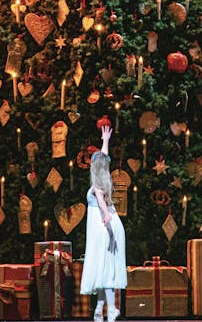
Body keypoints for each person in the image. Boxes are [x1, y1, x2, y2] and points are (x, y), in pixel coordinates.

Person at [81, 124, 126, 322]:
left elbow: (100, 201)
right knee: (103, 269)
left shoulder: (97, 185)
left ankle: (111, 309)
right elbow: (103, 160)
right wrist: (105, 141)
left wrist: (106, 215)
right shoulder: (102, 181)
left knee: (106, 268)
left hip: (105, 226)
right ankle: (100, 309)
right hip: (107, 225)